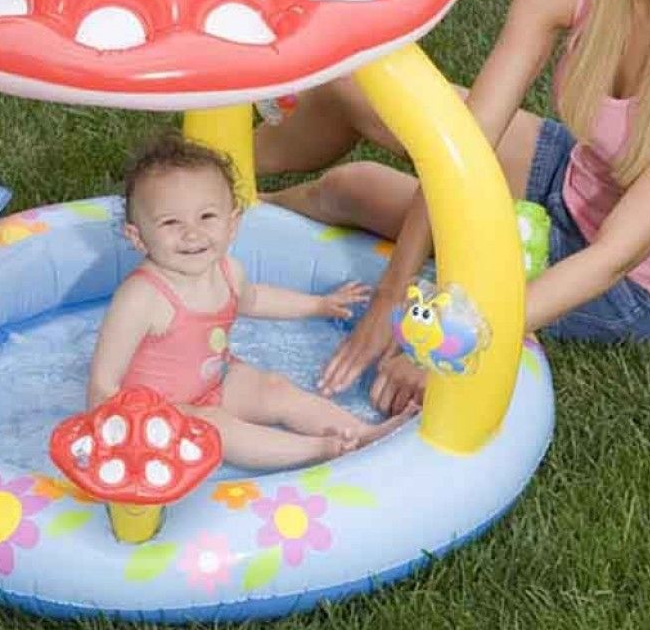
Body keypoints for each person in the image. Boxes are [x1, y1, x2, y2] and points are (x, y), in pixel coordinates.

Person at [256, 0, 650, 417]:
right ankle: (229, 182)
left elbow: (612, 255)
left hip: (629, 280)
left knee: (351, 189)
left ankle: (245, 214)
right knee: (358, 85)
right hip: (574, 173)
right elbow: (463, 140)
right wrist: (387, 297)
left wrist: (447, 343)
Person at [88, 133, 416, 470]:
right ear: (137, 236)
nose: (192, 233)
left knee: (274, 387)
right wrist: (124, 437)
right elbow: (103, 384)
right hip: (157, 411)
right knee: (215, 427)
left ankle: (362, 433)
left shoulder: (228, 271)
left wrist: (318, 305)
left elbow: (257, 300)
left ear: (233, 224)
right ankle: (320, 448)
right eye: (171, 222)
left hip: (213, 383)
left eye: (207, 217)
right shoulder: (141, 298)